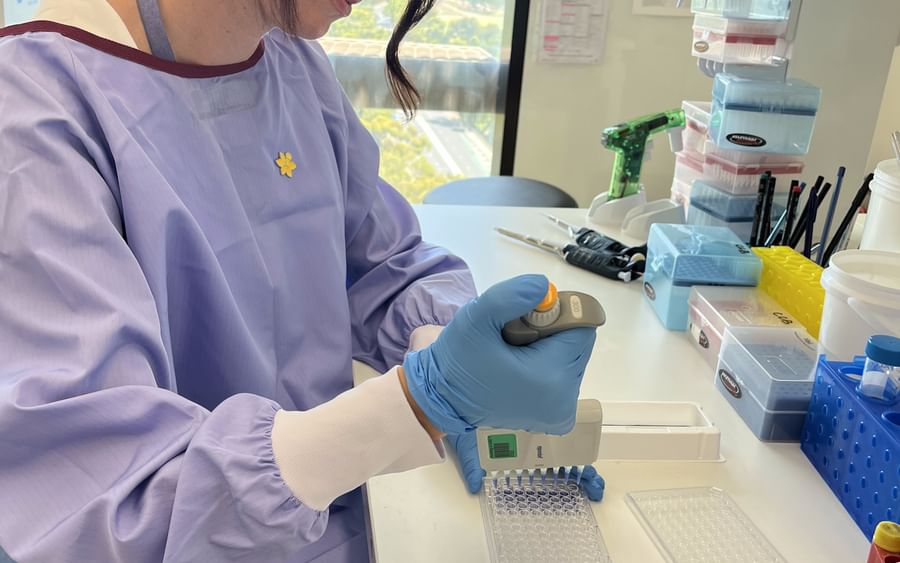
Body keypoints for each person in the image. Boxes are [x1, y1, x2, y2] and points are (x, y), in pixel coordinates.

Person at [0, 1, 602, 561]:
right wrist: (412, 405)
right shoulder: (35, 109)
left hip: (335, 510)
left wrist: (453, 357)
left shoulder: (292, 63)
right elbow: (103, 504)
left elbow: (384, 264)